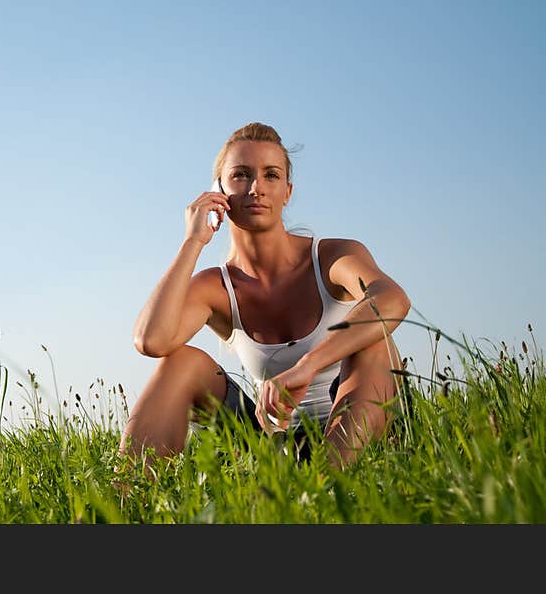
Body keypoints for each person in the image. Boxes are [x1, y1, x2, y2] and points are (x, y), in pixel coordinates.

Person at [119, 121, 411, 470]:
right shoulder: (216, 287)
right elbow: (151, 340)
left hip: (361, 430)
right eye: (241, 175)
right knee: (181, 362)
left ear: (287, 191)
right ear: (218, 192)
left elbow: (392, 298)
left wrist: (307, 367)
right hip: (276, 444)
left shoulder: (333, 256)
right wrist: (192, 242)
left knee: (373, 338)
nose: (256, 187)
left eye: (271, 175)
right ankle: (121, 505)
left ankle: (330, 492)